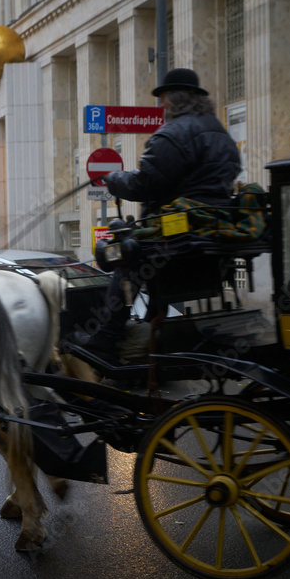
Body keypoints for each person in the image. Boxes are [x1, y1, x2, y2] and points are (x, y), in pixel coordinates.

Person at [84, 68, 241, 363]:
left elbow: (147, 183)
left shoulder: (173, 135)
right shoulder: (221, 134)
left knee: (124, 254)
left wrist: (115, 180)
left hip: (182, 227)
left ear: (173, 100)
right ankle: (154, 327)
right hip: (211, 225)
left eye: (164, 99)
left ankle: (106, 336)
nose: (161, 106)